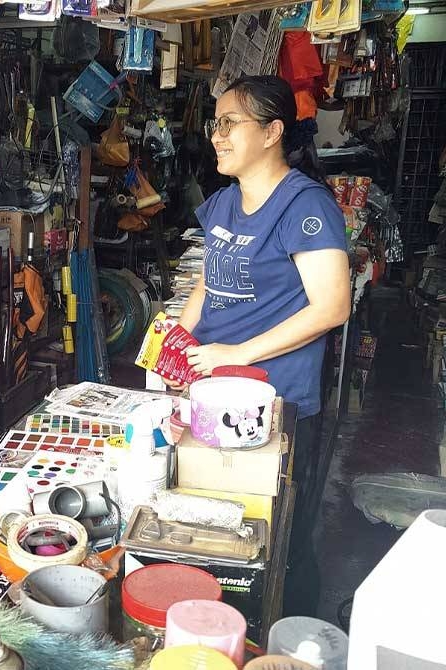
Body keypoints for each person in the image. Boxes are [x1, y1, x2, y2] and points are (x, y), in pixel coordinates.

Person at [173, 75, 350, 616]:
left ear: (272, 131)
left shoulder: (305, 206)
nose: (218, 136)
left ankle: (281, 629)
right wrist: (177, 341)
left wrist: (236, 353)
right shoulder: (225, 202)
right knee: (212, 519)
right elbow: (210, 276)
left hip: (277, 401)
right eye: (215, 124)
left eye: (230, 124)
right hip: (214, 390)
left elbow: (332, 307)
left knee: (272, 533)